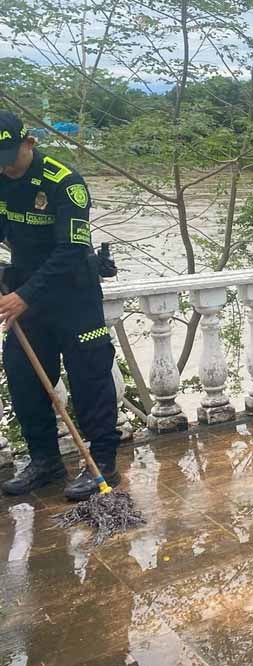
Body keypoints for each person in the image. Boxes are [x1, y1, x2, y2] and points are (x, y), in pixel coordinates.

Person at [0, 110, 122, 501]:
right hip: (27, 297)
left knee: (90, 380)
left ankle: (102, 462)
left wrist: (23, 296)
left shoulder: (64, 183)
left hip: (73, 294)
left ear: (29, 143)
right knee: (23, 376)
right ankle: (45, 461)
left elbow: (71, 250)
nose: (3, 166)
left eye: (7, 156)